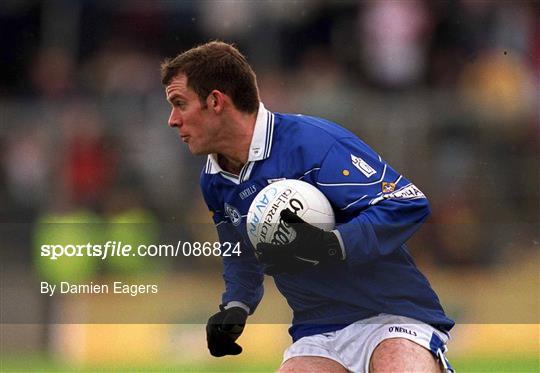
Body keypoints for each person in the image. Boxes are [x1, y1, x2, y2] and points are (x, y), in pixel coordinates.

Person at [161, 41, 455, 373]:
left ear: (215, 101)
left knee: (397, 366)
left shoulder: (313, 144)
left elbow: (406, 203)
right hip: (318, 328)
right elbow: (241, 253)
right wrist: (236, 306)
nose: (172, 120)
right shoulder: (214, 180)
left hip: (393, 314)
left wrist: (331, 244)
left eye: (179, 103)